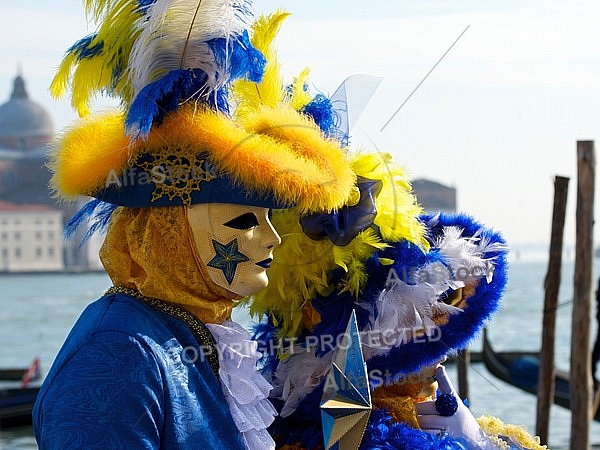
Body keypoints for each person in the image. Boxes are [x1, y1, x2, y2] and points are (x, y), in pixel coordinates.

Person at [32, 1, 356, 449]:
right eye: (244, 221)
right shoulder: (119, 351)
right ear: (169, 235)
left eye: (268, 217)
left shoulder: (196, 329)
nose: (273, 237)